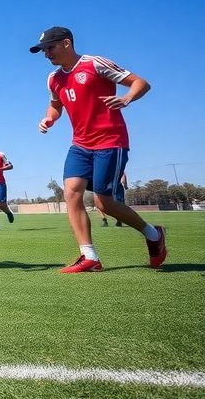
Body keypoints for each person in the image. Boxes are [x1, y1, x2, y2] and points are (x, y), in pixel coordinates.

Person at [31, 26, 165, 272]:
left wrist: (126, 98)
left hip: (110, 141)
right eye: (43, 50)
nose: (46, 54)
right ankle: (89, 256)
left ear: (67, 43)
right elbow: (55, 106)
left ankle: (153, 235)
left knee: (104, 203)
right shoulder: (54, 79)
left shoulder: (95, 64)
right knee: (71, 192)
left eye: (50, 47)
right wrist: (49, 119)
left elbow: (141, 83)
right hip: (80, 144)